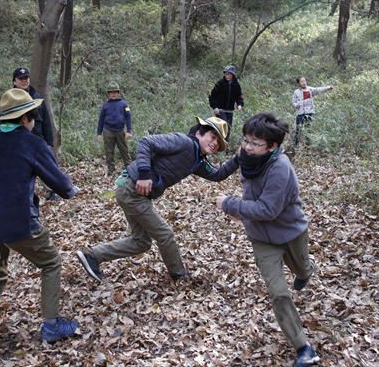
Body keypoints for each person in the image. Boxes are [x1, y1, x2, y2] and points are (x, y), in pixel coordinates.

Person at [0, 89, 80, 359]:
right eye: (33, 115)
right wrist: (72, 190)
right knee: (51, 263)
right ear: (27, 118)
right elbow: (62, 186)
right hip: (21, 224)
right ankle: (52, 325)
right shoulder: (32, 144)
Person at [77, 116, 239, 283]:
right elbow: (146, 142)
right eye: (212, 136)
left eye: (218, 142)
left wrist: (239, 159)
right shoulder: (183, 142)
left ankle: (92, 256)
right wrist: (145, 173)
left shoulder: (198, 160)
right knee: (165, 234)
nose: (215, 143)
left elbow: (218, 174)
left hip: (134, 193)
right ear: (199, 133)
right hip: (132, 190)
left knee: (141, 242)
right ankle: (179, 276)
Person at [215, 112, 320, 367]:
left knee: (302, 271)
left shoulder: (280, 167)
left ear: (273, 146)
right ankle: (303, 348)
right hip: (261, 238)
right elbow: (224, 171)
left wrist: (232, 205)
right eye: (246, 140)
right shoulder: (247, 156)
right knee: (278, 292)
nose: (248, 147)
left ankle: (307, 267)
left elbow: (269, 209)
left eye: (255, 143)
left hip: (290, 231)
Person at [11, 67, 59, 201]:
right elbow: (1, 121)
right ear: (14, 81)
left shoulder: (37, 96)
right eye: (21, 79)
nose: (24, 81)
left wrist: (49, 141)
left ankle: (51, 194)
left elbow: (46, 120)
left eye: (26, 78)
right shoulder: (9, 99)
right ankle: (21, 196)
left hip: (37, 140)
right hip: (17, 142)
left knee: (47, 168)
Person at [97, 81, 132, 176]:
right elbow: (101, 119)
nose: (113, 94)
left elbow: (128, 116)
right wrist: (99, 133)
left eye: (115, 92)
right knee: (109, 152)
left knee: (124, 151)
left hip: (120, 130)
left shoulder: (124, 104)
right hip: (108, 130)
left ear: (118, 93)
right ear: (108, 94)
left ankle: (130, 170)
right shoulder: (105, 106)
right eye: (111, 92)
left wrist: (128, 131)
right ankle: (111, 171)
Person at [292, 76, 333, 146]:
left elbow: (319, 90)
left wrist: (328, 88)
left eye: (304, 81)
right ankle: (296, 144)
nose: (304, 83)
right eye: (301, 82)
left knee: (308, 128)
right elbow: (293, 101)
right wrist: (296, 105)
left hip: (309, 112)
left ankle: (308, 144)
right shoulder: (296, 92)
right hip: (300, 112)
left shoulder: (310, 90)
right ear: (298, 83)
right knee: (298, 128)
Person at [208, 65, 244, 144]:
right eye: (226, 74)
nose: (227, 76)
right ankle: (217, 144)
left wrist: (239, 104)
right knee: (224, 127)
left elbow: (239, 96)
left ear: (233, 75)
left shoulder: (236, 85)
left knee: (228, 129)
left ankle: (225, 146)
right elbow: (212, 96)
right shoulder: (220, 84)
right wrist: (215, 107)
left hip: (230, 110)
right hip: (220, 110)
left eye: (229, 74)